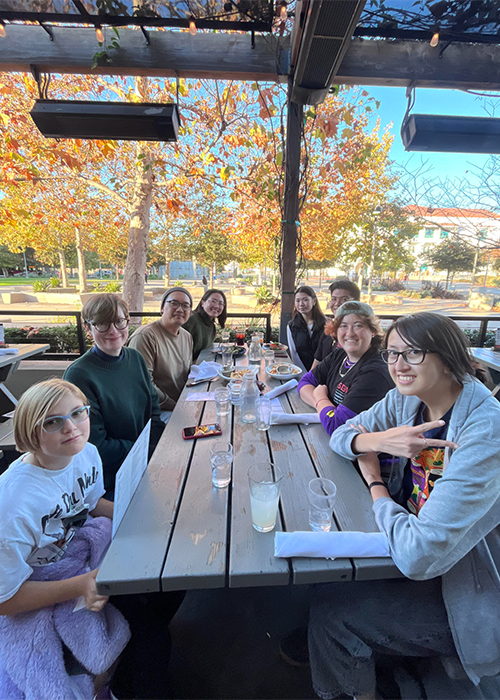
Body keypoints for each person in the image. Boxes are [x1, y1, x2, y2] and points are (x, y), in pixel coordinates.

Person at [309, 312, 500, 699]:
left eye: (412, 354)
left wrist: (375, 483)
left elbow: (419, 555)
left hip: (466, 590)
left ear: (447, 358)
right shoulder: (405, 400)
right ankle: (378, 665)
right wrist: (376, 443)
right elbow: (343, 432)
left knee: (331, 615)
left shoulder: (485, 431)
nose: (397, 365)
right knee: (324, 576)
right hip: (412, 545)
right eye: (392, 353)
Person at [0, 378, 129, 699]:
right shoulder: (14, 504)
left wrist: (137, 514)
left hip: (74, 551)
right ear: (31, 433)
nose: (71, 427)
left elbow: (91, 504)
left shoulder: (88, 453)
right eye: (53, 422)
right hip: (33, 580)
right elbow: (5, 601)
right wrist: (81, 585)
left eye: (78, 413)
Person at [64, 294, 164, 495]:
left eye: (119, 321)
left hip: (146, 461)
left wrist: (159, 447)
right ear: (88, 328)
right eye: (102, 323)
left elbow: (153, 409)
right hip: (111, 480)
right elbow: (95, 445)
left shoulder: (135, 358)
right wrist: (143, 450)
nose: (113, 330)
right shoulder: (79, 375)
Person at [297, 301, 393, 436]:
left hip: (360, 452)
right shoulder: (340, 354)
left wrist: (321, 397)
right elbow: (304, 383)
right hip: (327, 438)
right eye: (343, 326)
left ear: (372, 331)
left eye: (358, 326)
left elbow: (336, 426)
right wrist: (323, 408)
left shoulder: (374, 373)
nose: (350, 333)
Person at [128, 286, 193, 416]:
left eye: (186, 305)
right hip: (157, 411)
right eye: (174, 303)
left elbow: (185, 374)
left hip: (183, 401)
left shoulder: (187, 336)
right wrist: (175, 406)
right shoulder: (145, 337)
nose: (180, 309)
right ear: (162, 308)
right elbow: (143, 385)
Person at [312, 279, 361, 369]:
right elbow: (317, 362)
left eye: (344, 299)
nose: (337, 304)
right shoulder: (329, 329)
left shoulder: (359, 334)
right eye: (334, 299)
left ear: (356, 302)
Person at [287, 286, 326, 373]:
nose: (301, 304)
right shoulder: (291, 326)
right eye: (298, 300)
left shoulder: (326, 324)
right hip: (301, 373)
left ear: (314, 301)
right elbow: (294, 353)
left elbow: (327, 352)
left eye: (305, 300)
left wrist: (315, 373)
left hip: (323, 372)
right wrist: (304, 375)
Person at [183, 288, 228, 360]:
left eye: (220, 303)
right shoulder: (191, 320)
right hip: (188, 367)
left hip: (202, 364)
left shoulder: (211, 324)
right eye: (213, 301)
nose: (216, 306)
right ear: (202, 303)